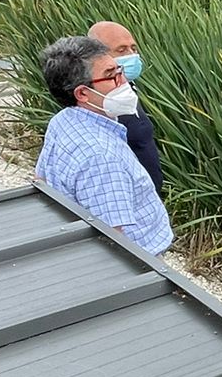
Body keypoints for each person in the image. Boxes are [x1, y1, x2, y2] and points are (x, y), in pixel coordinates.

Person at [34, 35, 174, 254]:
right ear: (82, 93)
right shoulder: (101, 157)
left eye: (119, 71)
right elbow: (112, 242)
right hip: (143, 258)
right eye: (112, 76)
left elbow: (40, 179)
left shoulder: (63, 120)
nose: (124, 81)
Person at [87, 20, 163, 195]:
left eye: (133, 48)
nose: (132, 55)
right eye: (121, 50)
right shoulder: (99, 101)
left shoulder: (128, 89)